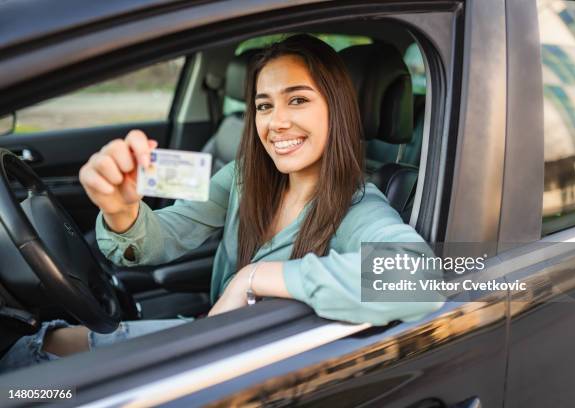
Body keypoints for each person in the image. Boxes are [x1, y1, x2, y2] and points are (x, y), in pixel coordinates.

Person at [0, 35, 443, 372]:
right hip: (212, 335)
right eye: (264, 105)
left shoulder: (359, 206)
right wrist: (121, 209)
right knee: (41, 348)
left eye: (299, 100)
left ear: (339, 109)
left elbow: (418, 278)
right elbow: (163, 239)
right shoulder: (243, 176)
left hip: (264, 366)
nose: (277, 122)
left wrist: (255, 277)